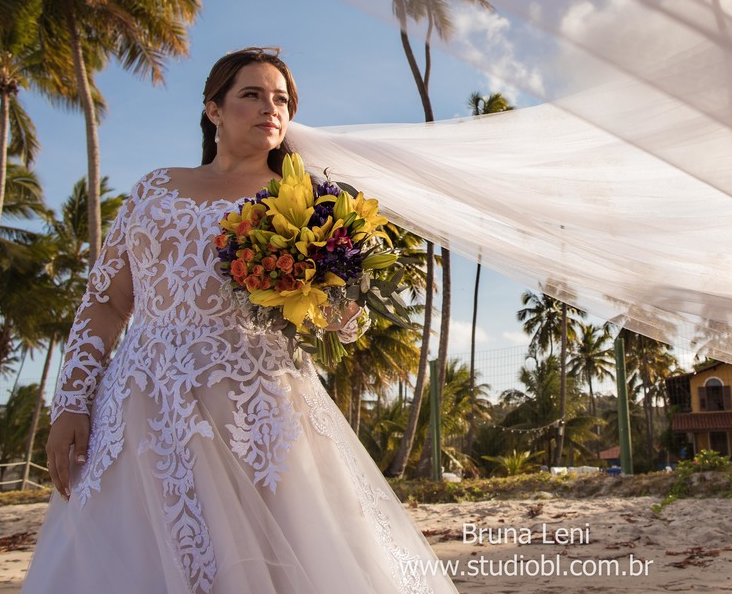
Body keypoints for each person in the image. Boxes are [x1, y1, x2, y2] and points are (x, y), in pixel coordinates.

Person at [23, 48, 456, 594]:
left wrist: (339, 307)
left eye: (281, 99)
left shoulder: (309, 201)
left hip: (257, 409)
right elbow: (107, 304)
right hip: (140, 407)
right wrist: (70, 402)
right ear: (214, 109)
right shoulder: (154, 188)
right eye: (251, 94)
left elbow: (337, 318)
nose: (269, 108)